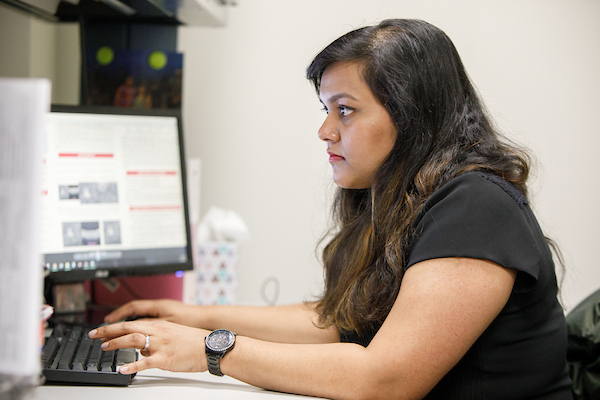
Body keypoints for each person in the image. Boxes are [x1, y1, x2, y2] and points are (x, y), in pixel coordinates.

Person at [90, 19, 573, 399]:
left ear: (410, 114)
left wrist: (211, 351)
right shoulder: (405, 198)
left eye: (345, 109)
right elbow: (339, 323)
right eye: (326, 110)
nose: (326, 131)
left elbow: (385, 379)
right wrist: (193, 316)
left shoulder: (476, 206)